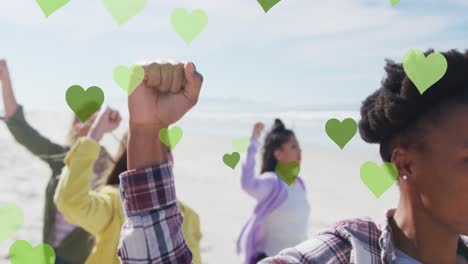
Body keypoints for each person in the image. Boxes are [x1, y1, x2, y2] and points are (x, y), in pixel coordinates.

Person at [0, 59, 112, 264]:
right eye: (80, 118)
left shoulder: (111, 168)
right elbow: (21, 130)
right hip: (50, 254)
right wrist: (5, 78)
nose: (85, 124)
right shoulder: (62, 158)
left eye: (92, 120)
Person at [237, 120, 309, 264]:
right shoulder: (273, 182)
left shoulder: (300, 183)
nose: (299, 150)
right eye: (293, 146)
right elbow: (247, 183)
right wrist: (253, 142)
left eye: (299, 146)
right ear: (278, 154)